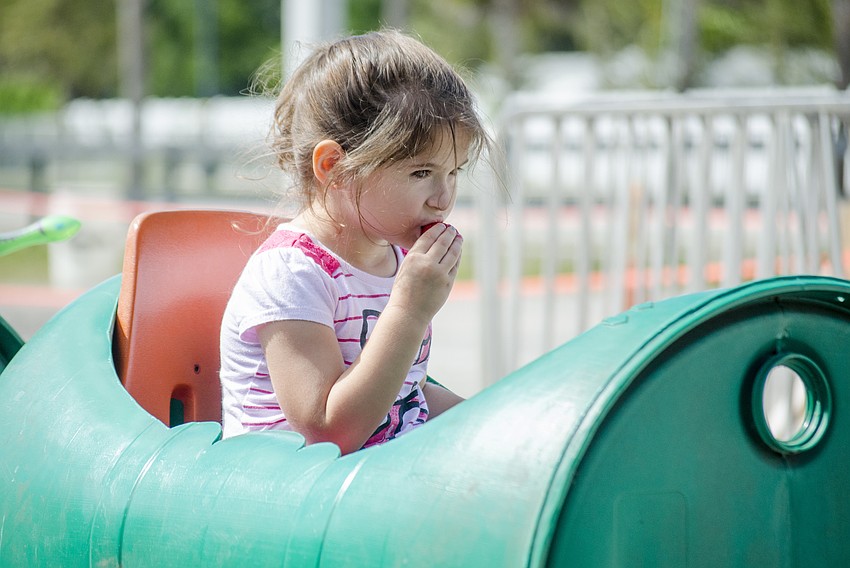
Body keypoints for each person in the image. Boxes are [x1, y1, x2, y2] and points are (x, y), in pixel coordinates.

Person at [219, 30, 490, 455]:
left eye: (453, 172)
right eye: (421, 173)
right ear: (335, 167)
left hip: (370, 482)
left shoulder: (396, 259)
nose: (443, 199)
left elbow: (404, 400)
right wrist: (408, 311)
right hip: (289, 495)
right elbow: (328, 433)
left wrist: (490, 423)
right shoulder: (292, 272)